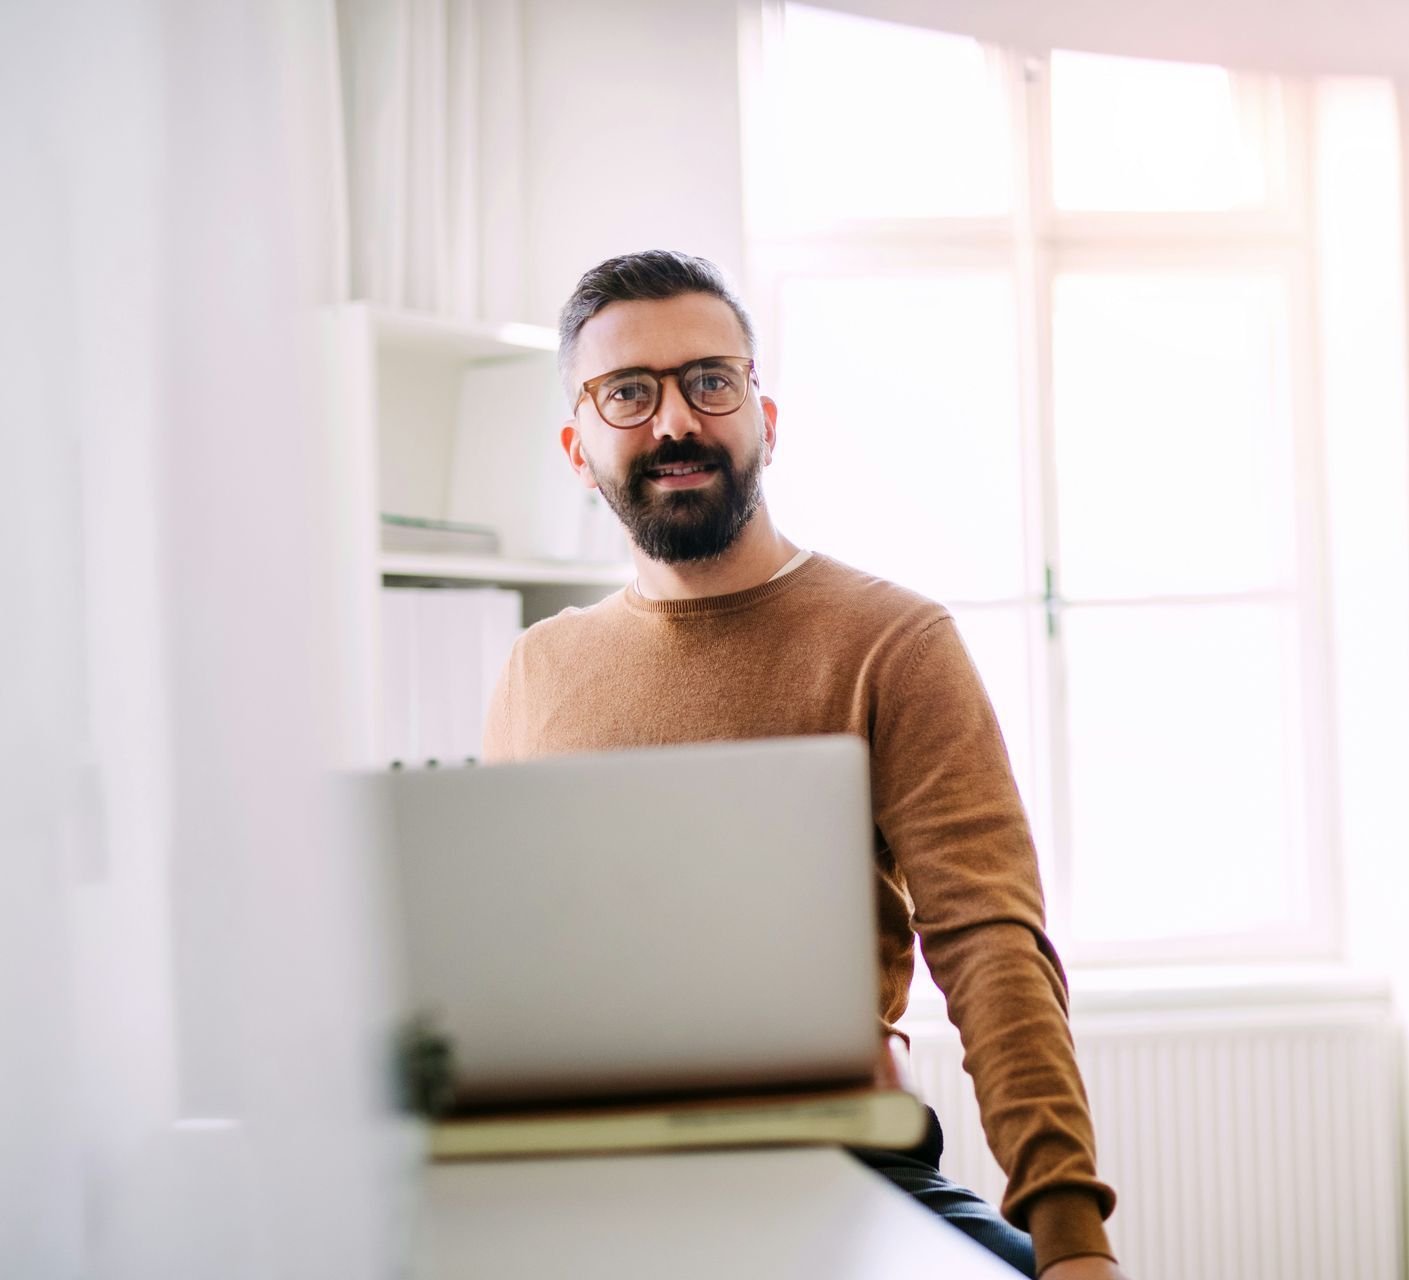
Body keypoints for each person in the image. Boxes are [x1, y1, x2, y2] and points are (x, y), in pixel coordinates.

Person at [483, 249, 1129, 1280]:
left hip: (838, 1165)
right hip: (593, 1179)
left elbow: (987, 943)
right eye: (627, 393)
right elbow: (501, 975)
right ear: (576, 446)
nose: (676, 421)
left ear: (764, 417)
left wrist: (1069, 1240)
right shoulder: (535, 666)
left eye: (710, 379)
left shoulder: (893, 641)